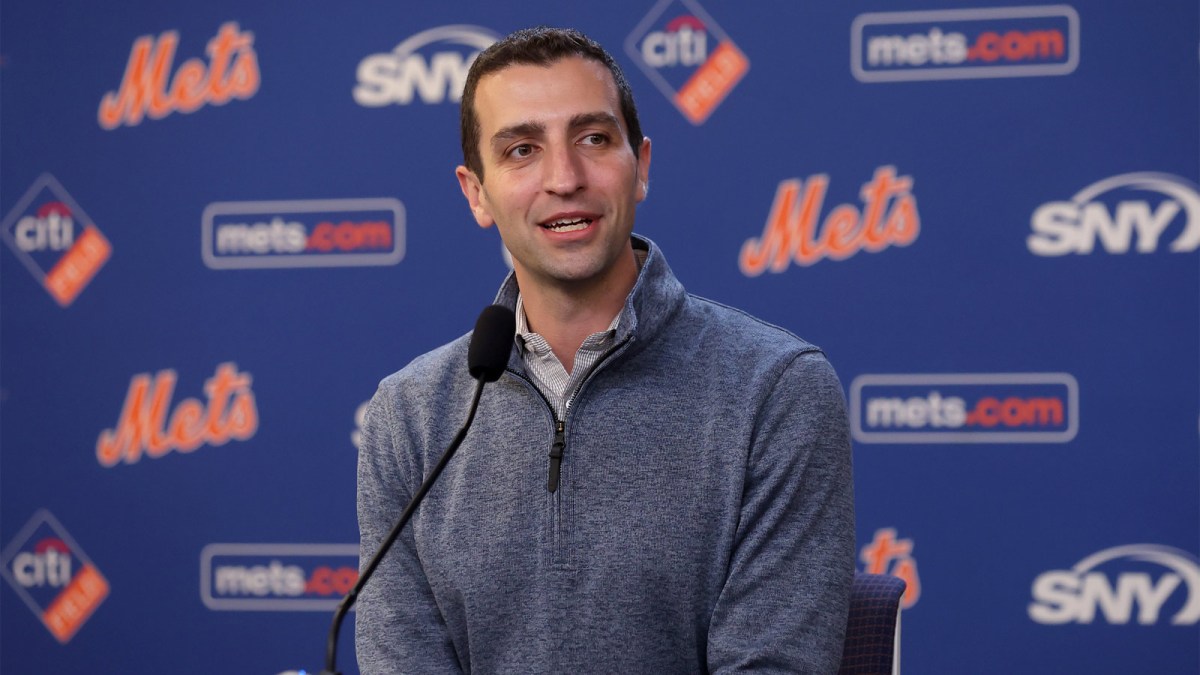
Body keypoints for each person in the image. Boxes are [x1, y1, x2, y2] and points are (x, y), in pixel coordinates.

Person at [356, 26, 855, 674]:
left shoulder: (777, 391)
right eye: (522, 150)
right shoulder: (407, 415)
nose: (564, 178)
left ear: (640, 166)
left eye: (592, 138)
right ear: (476, 192)